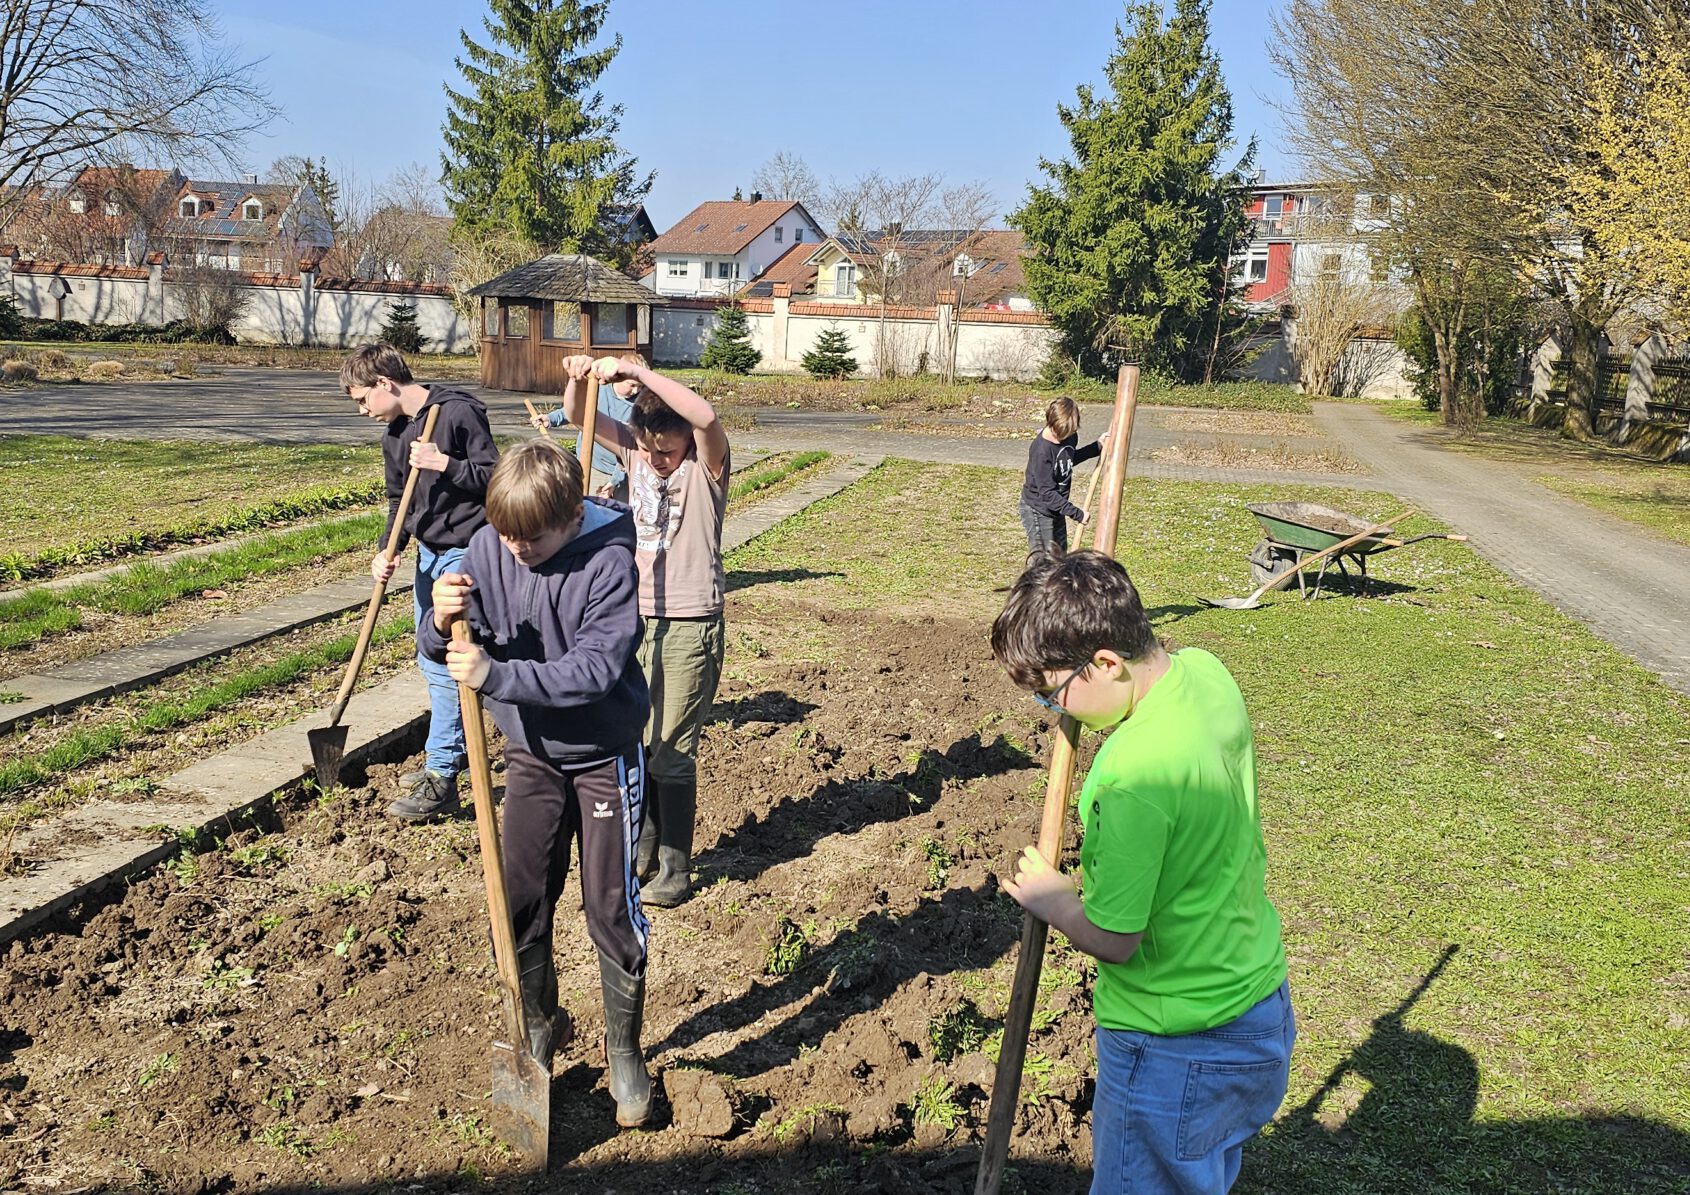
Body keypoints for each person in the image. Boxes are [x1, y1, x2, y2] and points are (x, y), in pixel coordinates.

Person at [991, 550, 1293, 1195]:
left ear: (1107, 663)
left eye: (1051, 693)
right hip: (1254, 1008)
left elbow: (1116, 938)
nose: (1052, 709)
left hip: (1173, 1046)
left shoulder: (1132, 780)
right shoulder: (1206, 672)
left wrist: (1055, 900)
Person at [419, 440, 654, 1128]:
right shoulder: (488, 547)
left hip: (604, 755)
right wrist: (440, 617)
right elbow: (444, 644)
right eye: (507, 537)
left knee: (608, 905)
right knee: (521, 895)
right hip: (530, 756)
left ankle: (624, 1049)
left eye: (534, 540)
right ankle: (539, 1022)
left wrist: (497, 676)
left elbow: (594, 669)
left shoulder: (608, 562)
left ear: (573, 516)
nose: (517, 550)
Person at [560, 353, 728, 908]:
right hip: (634, 618)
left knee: (670, 749)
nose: (658, 460)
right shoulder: (635, 452)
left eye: (668, 451)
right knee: (637, 740)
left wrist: (639, 375)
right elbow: (578, 415)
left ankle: (676, 869)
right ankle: (646, 850)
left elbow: (705, 417)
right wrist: (578, 379)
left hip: (689, 622)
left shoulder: (705, 466)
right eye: (650, 449)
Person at [340, 342, 498, 821]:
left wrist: (445, 464)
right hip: (429, 554)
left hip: (469, 549)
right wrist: (387, 550)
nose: (362, 410)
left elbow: (498, 478)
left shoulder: (457, 413)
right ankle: (451, 753)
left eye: (362, 399)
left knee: (449, 662)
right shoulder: (394, 435)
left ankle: (442, 774)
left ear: (384, 383)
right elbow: (400, 500)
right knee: (431, 659)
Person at [530, 350, 644, 502]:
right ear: (618, 377)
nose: (636, 391)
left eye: (640, 386)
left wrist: (615, 481)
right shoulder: (598, 389)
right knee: (587, 505)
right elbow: (578, 410)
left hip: (622, 473)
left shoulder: (640, 407)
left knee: (617, 510)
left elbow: (632, 449)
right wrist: (550, 419)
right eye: (632, 385)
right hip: (591, 465)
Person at [1018, 395, 1106, 556]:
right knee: (1043, 560)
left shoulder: (1070, 436)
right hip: (1038, 508)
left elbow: (1067, 460)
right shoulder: (1041, 450)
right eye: (1058, 434)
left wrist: (1096, 447)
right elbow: (1047, 493)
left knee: (1059, 556)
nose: (1061, 439)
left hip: (1056, 506)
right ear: (1051, 423)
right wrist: (1077, 514)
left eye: (1067, 434)